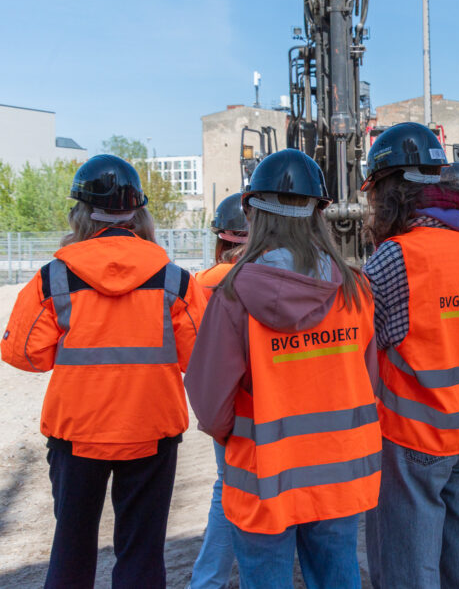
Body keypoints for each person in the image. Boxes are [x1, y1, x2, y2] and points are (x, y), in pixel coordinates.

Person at [1, 154, 206, 589]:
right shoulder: (175, 281)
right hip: (151, 432)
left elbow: (24, 354)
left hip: (76, 433)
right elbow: (198, 355)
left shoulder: (53, 279)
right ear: (140, 214)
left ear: (79, 214)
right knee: (141, 551)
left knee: (71, 549)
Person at [184, 149, 381, 589]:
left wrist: (231, 435)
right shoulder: (355, 289)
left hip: (263, 472)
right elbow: (369, 380)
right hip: (339, 469)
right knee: (337, 576)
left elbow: (209, 399)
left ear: (253, 214)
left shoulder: (233, 294)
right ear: (319, 215)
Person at [360, 122, 459, 589]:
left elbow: (367, 346)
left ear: (387, 193)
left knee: (409, 571)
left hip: (414, 441)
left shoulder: (394, 257)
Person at [189, 192, 249, 589]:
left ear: (221, 240)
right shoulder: (270, 278)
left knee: (228, 486)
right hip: (265, 401)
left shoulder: (199, 285)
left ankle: (208, 580)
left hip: (219, 402)